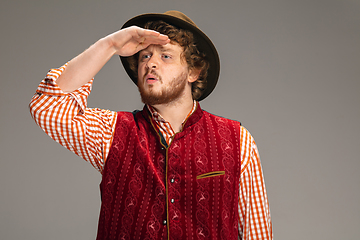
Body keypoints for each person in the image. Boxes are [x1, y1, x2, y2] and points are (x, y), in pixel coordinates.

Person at [29, 10, 272, 240]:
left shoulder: (237, 140)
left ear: (194, 72)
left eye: (165, 56)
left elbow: (257, 233)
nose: (151, 64)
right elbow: (48, 106)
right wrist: (110, 46)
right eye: (145, 56)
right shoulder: (110, 132)